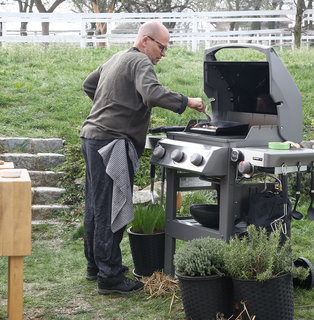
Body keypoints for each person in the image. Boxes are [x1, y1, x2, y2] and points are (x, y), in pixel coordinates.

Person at [80, 20, 206, 295]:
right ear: (145, 40)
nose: (163, 53)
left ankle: (96, 266)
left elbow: (90, 85)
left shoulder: (116, 58)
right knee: (111, 209)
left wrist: (114, 105)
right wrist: (187, 102)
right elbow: (152, 93)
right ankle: (110, 278)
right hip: (111, 142)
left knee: (96, 205)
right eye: (161, 47)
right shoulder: (140, 62)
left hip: (91, 137)